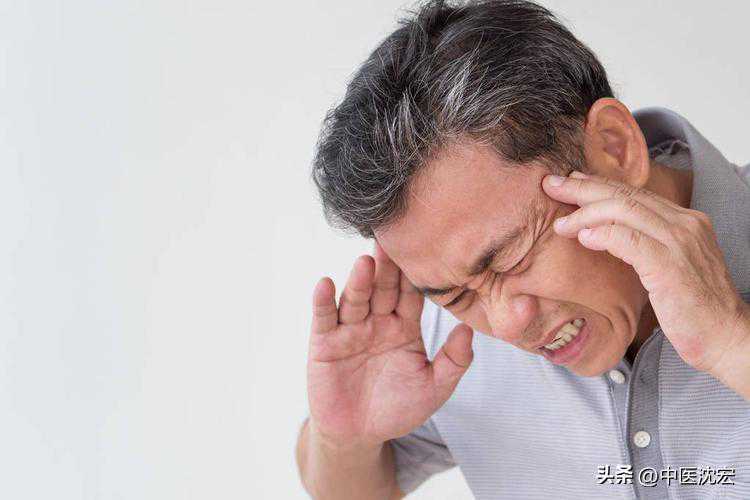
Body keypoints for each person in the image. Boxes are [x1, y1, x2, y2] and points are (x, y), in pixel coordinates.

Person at [295, 1, 750, 498]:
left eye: (510, 258)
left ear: (614, 148)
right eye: (455, 296)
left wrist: (733, 344)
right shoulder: (438, 343)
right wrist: (343, 442)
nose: (507, 328)